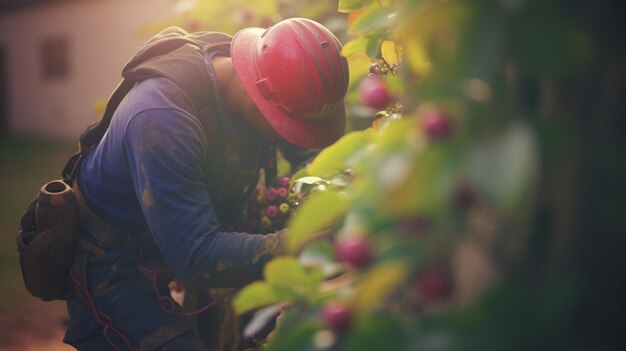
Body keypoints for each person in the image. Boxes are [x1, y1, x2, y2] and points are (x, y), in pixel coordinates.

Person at [63, 17, 349, 350]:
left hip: (181, 236)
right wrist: (303, 242)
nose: (292, 136)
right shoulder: (161, 117)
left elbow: (307, 155)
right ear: (256, 98)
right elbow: (196, 256)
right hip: (112, 263)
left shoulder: (256, 73)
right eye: (287, 126)